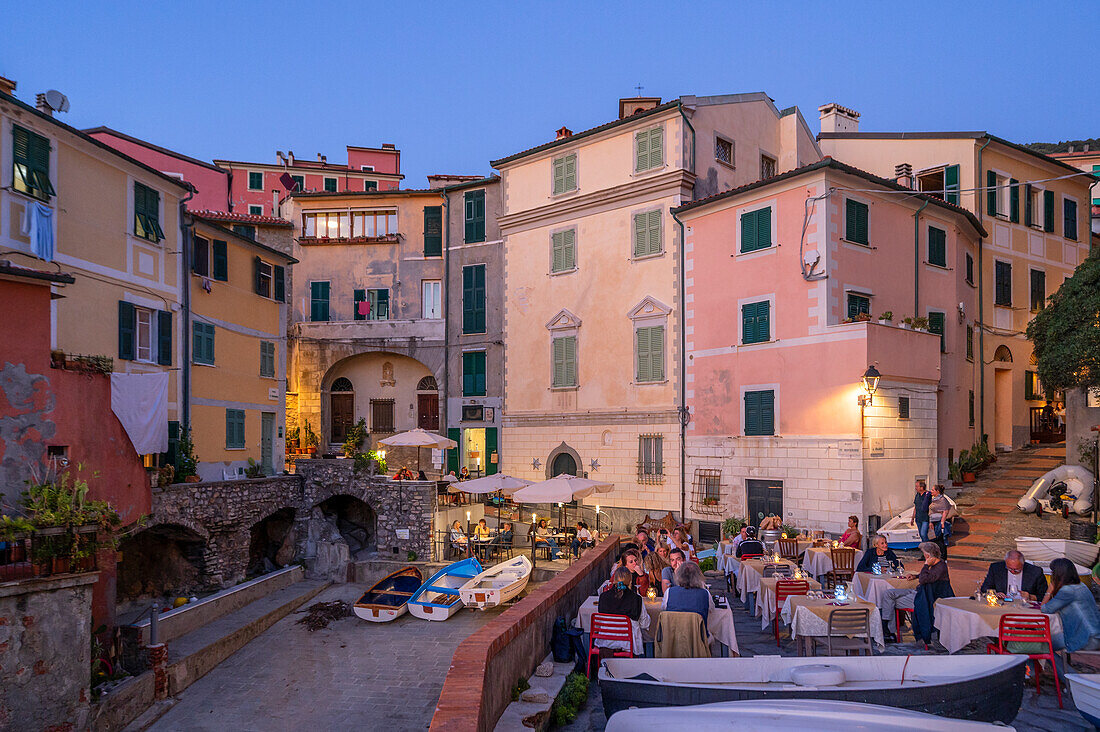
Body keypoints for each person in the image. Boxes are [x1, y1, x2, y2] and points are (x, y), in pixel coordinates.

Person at [879, 541, 950, 642]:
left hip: (926, 599)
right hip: (919, 592)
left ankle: (889, 631)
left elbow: (924, 579)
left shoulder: (940, 566)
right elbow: (928, 577)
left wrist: (925, 565)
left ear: (927, 555)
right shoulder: (935, 564)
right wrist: (915, 576)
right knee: (888, 593)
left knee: (890, 602)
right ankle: (886, 625)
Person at [1041, 558, 1100, 677]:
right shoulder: (1081, 585)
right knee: (1042, 644)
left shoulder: (1068, 591)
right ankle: (1069, 677)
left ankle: (1071, 678)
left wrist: (1049, 590)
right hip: (1093, 633)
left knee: (1040, 645)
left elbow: (1045, 609)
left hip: (1086, 638)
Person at [596, 567, 649, 656]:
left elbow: (599, 622)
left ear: (614, 579)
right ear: (630, 580)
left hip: (606, 641)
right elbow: (645, 624)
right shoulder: (636, 598)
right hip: (628, 643)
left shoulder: (603, 597)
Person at [981, 549, 1048, 601]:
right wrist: (994, 594)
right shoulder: (996, 568)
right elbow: (985, 588)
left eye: (1016, 569)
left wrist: (1030, 596)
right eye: (1009, 569)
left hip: (1025, 606)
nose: (1013, 571)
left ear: (1023, 564)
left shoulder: (1035, 571)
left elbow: (1045, 595)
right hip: (1002, 603)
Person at [665, 560, 712, 631]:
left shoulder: (669, 592)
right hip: (697, 638)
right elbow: (711, 609)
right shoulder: (704, 593)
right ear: (698, 576)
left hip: (674, 637)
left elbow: (664, 608)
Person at [928, 484, 954, 558]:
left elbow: (946, 511)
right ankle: (936, 556)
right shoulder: (934, 499)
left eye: (933, 490)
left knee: (940, 540)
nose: (931, 491)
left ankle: (943, 557)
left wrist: (942, 522)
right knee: (933, 539)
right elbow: (930, 511)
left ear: (937, 491)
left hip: (939, 522)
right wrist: (930, 522)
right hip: (933, 521)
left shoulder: (942, 500)